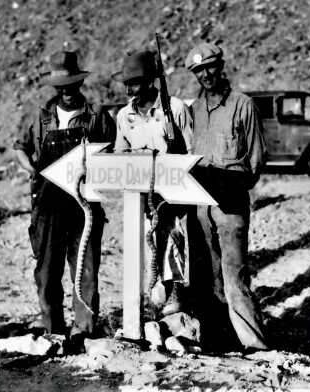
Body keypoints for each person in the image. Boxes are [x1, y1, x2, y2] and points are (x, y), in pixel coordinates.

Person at [14, 51, 116, 349]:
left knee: (85, 270)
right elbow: (20, 148)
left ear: (79, 84)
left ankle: (84, 331)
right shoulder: (41, 117)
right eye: (61, 88)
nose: (67, 92)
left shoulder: (97, 116)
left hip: (84, 206)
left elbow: (113, 155)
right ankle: (53, 330)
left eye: (72, 86)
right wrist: (29, 166)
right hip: (47, 206)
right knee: (47, 272)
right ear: (55, 89)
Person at [185, 42, 268, 352]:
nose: (205, 75)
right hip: (200, 205)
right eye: (198, 71)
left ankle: (254, 345)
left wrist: (232, 185)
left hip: (230, 205)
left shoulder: (243, 105)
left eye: (209, 67)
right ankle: (218, 340)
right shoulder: (194, 110)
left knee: (234, 275)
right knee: (207, 276)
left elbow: (257, 160)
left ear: (221, 66)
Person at [114, 50, 193, 316]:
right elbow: (120, 156)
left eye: (134, 82)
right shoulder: (125, 117)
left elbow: (192, 154)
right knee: (144, 255)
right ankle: (147, 307)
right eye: (126, 83)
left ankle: (175, 303)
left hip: (172, 199)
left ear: (150, 81)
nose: (129, 89)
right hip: (140, 200)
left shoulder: (177, 109)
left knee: (172, 247)